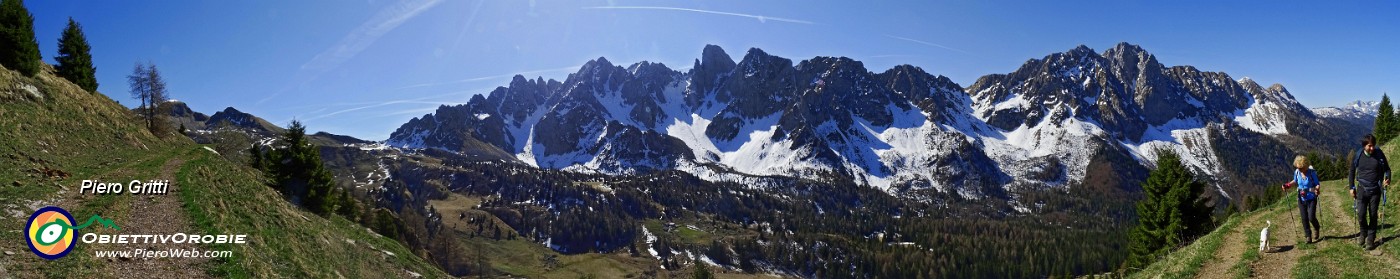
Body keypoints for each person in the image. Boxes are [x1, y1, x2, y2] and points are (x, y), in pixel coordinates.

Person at [1349, 134, 1391, 250]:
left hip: (1375, 190)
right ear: (1364, 146)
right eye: (1369, 146)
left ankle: (1370, 239)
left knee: (1373, 215)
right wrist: (1351, 187)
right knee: (1361, 214)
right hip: (1362, 189)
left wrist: (1387, 179)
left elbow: (1387, 169)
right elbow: (1352, 171)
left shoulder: (1379, 154)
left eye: (1373, 146)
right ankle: (1363, 233)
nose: (1372, 148)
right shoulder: (1358, 155)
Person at [1283, 155, 1321, 243]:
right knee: (1304, 218)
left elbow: (1317, 183)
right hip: (1301, 198)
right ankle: (1308, 236)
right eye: (1298, 167)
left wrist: (1317, 189)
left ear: (1305, 166)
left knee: (1311, 217)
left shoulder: (1312, 173)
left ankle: (1316, 227)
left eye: (1301, 168)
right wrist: (1287, 185)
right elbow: (1295, 181)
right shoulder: (1297, 172)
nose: (1299, 169)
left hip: (1311, 198)